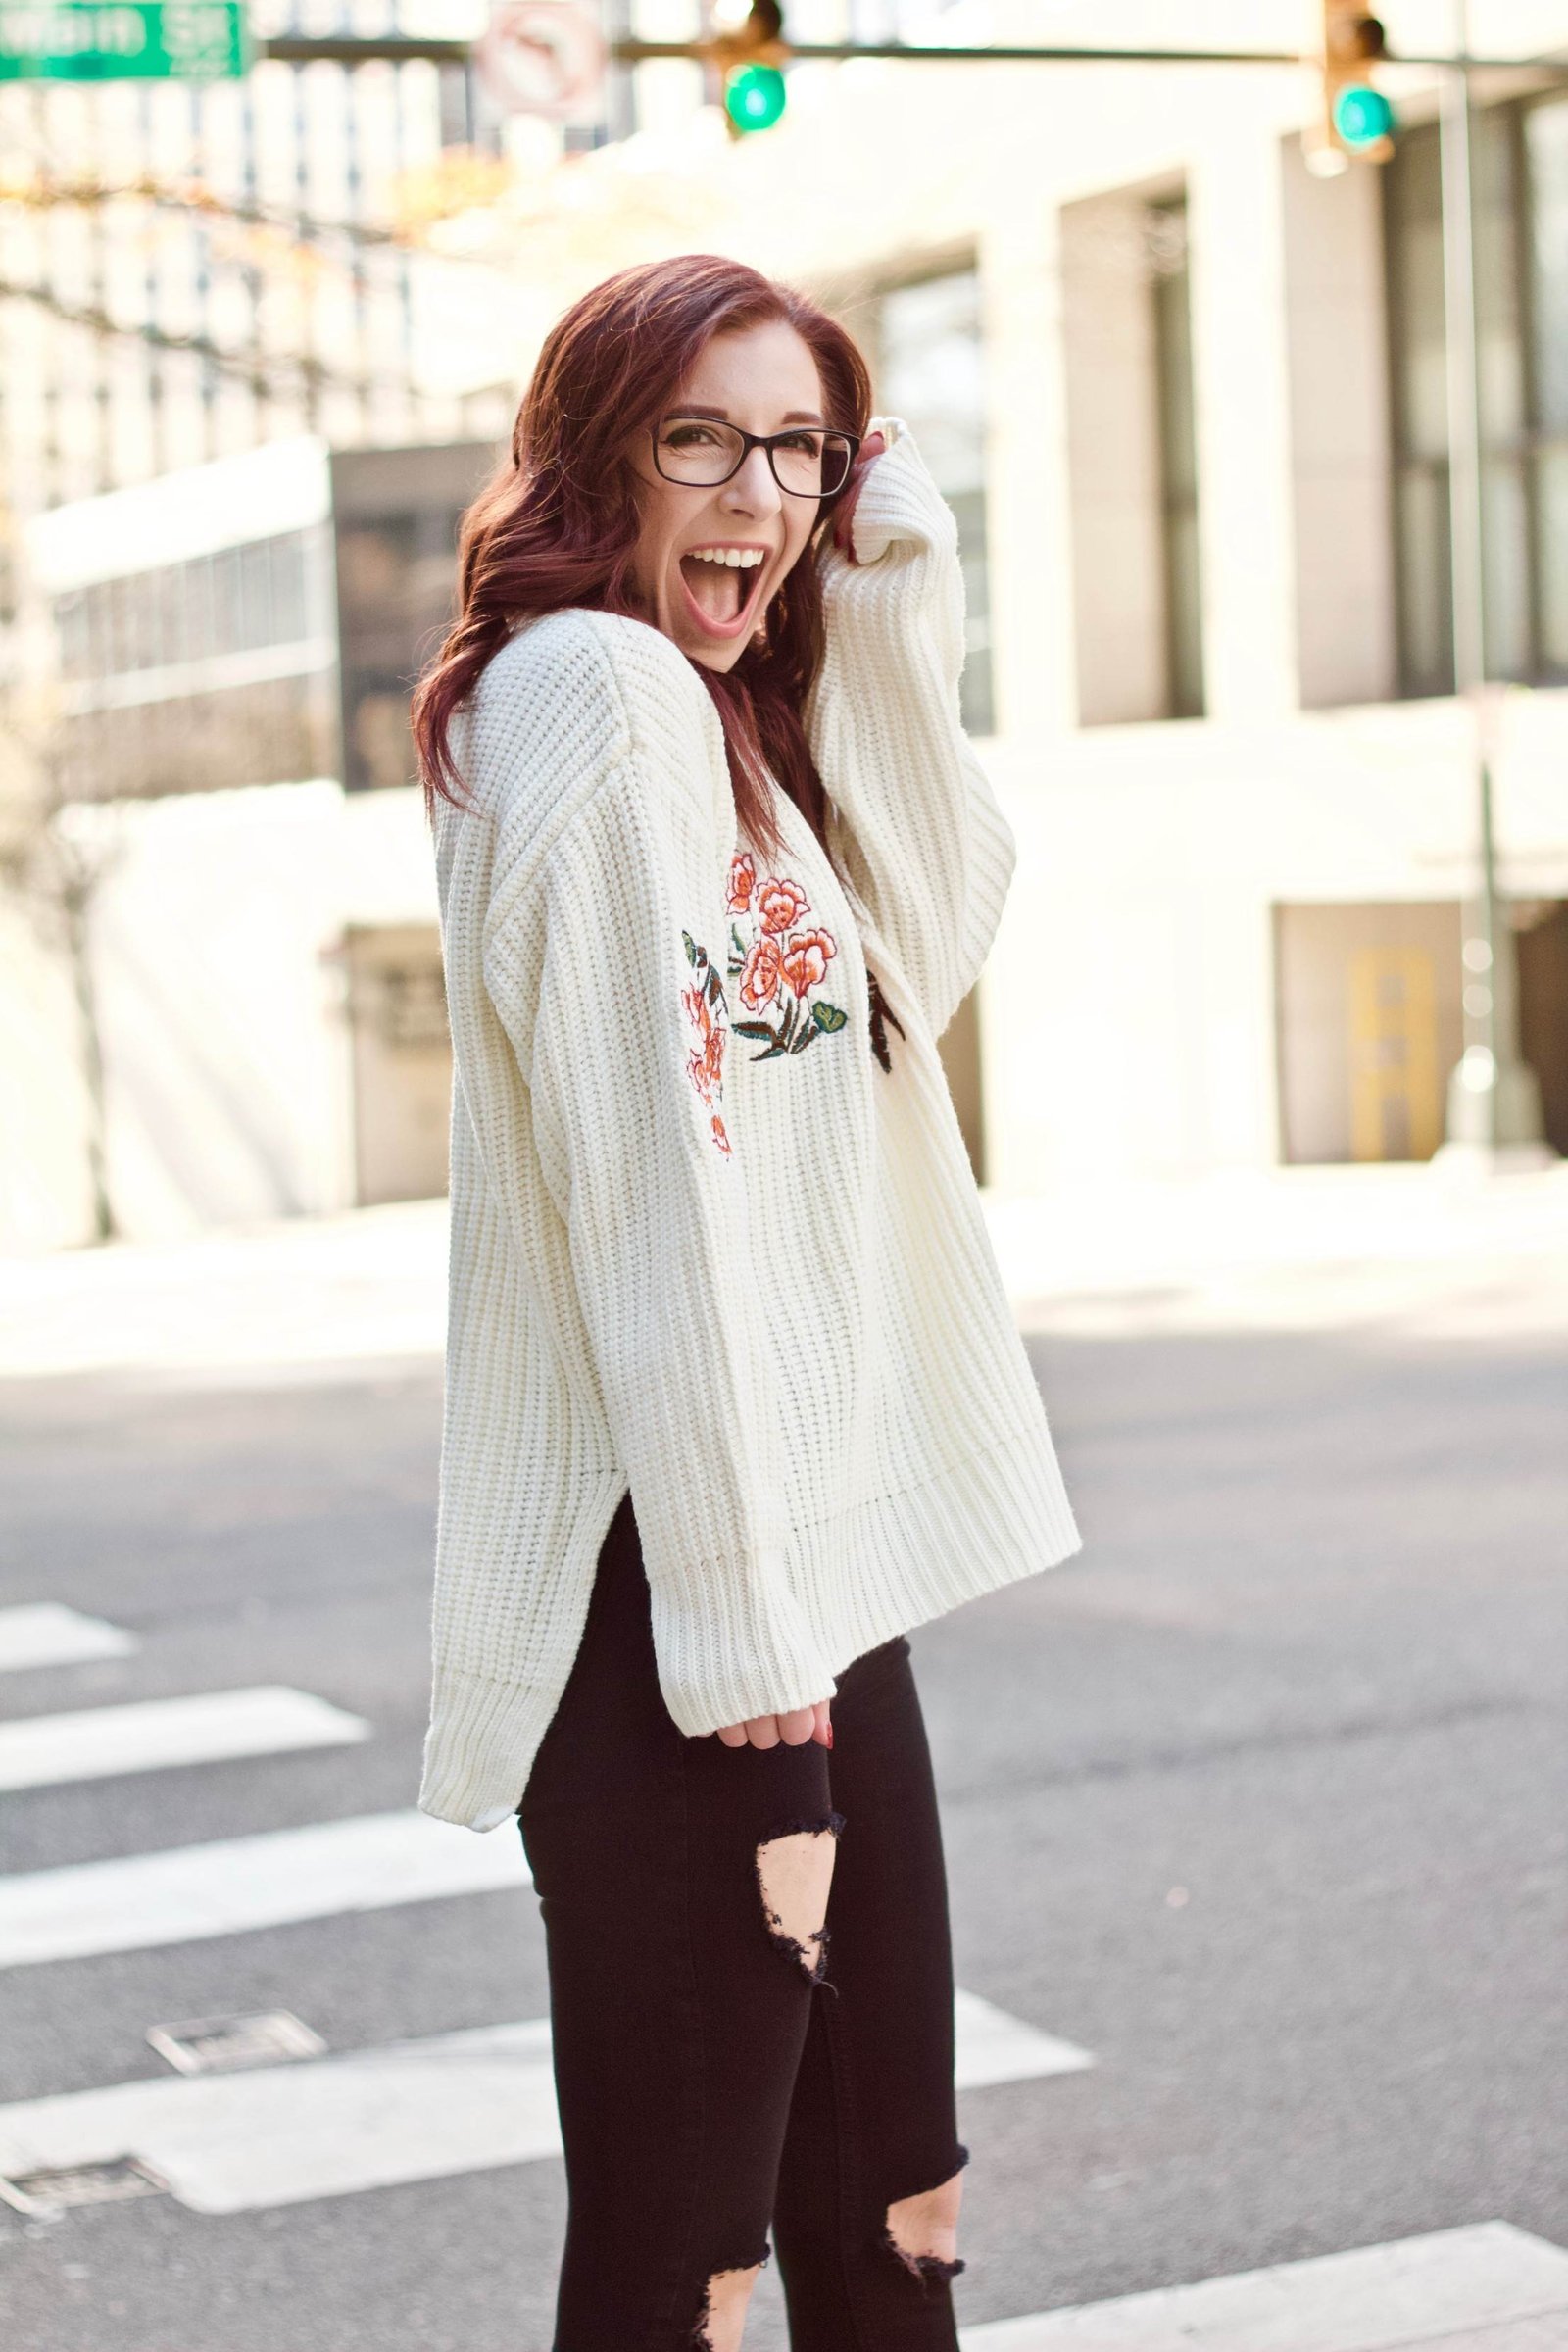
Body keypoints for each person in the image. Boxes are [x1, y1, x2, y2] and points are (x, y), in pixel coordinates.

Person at [411, 253, 1083, 2352]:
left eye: (798, 449)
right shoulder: (588, 696)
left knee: (892, 2213)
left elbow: (924, 942)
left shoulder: (713, 726)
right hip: (676, 1590)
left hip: (797, 1569)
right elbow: (646, 1174)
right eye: (700, 438)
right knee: (683, 2272)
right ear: (594, 456)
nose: (760, 495)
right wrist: (730, 1597)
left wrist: (887, 602)